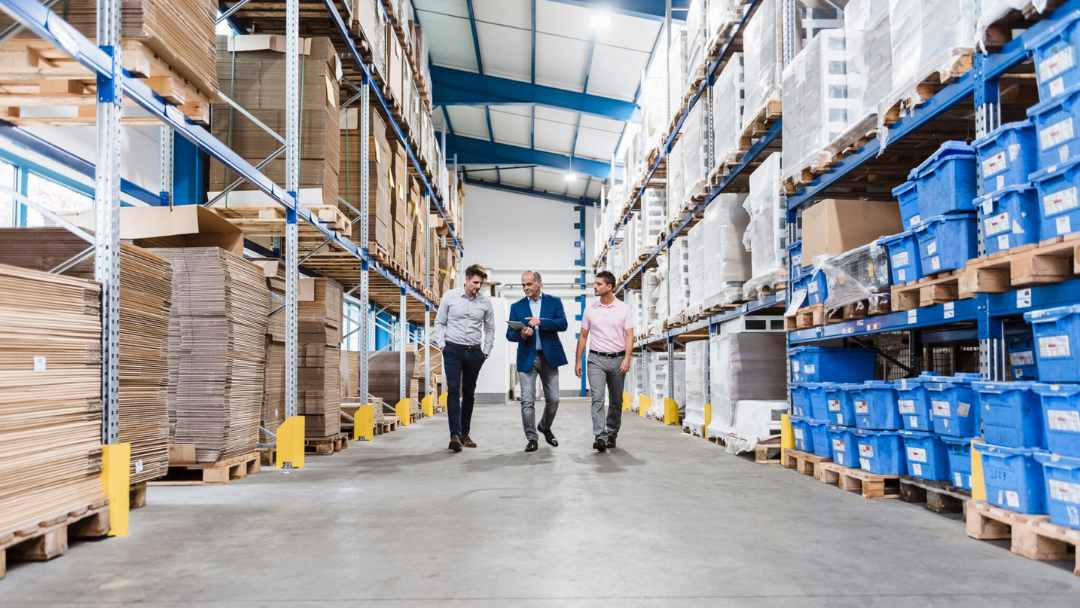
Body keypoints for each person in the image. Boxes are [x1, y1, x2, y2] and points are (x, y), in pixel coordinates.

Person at [432, 264, 495, 453]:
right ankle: (454, 435)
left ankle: (465, 433)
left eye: (480, 284)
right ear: (466, 280)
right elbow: (440, 322)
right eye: (475, 282)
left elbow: (490, 328)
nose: (477, 287)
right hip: (453, 349)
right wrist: (442, 345)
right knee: (453, 390)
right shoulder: (450, 297)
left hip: (474, 352)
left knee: (469, 393)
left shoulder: (485, 302)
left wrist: (485, 352)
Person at [506, 271, 568, 452]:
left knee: (554, 399)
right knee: (527, 401)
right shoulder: (516, 306)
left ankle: (545, 426)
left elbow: (562, 324)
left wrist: (541, 322)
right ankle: (532, 438)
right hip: (527, 357)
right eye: (523, 285)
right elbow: (510, 334)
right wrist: (522, 334)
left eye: (529, 284)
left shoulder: (554, 302)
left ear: (539, 283)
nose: (526, 288)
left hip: (549, 357)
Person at [574, 270, 634, 453]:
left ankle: (611, 434)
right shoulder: (590, 310)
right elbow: (583, 336)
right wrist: (578, 361)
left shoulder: (624, 309)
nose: (595, 286)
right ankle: (600, 436)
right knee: (597, 398)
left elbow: (629, 335)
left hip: (617, 360)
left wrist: (627, 358)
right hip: (596, 360)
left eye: (599, 284)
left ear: (610, 287)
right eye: (595, 283)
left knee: (616, 401)